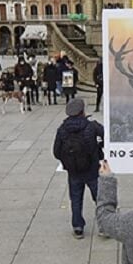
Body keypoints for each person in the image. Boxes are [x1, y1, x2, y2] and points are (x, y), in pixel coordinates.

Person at [53, 98, 104, 239]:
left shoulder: (62, 129)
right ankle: (104, 226)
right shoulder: (91, 126)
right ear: (82, 111)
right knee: (99, 198)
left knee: (75, 198)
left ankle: (77, 227)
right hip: (92, 169)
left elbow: (56, 152)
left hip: (73, 171)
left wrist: (68, 161)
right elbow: (105, 136)